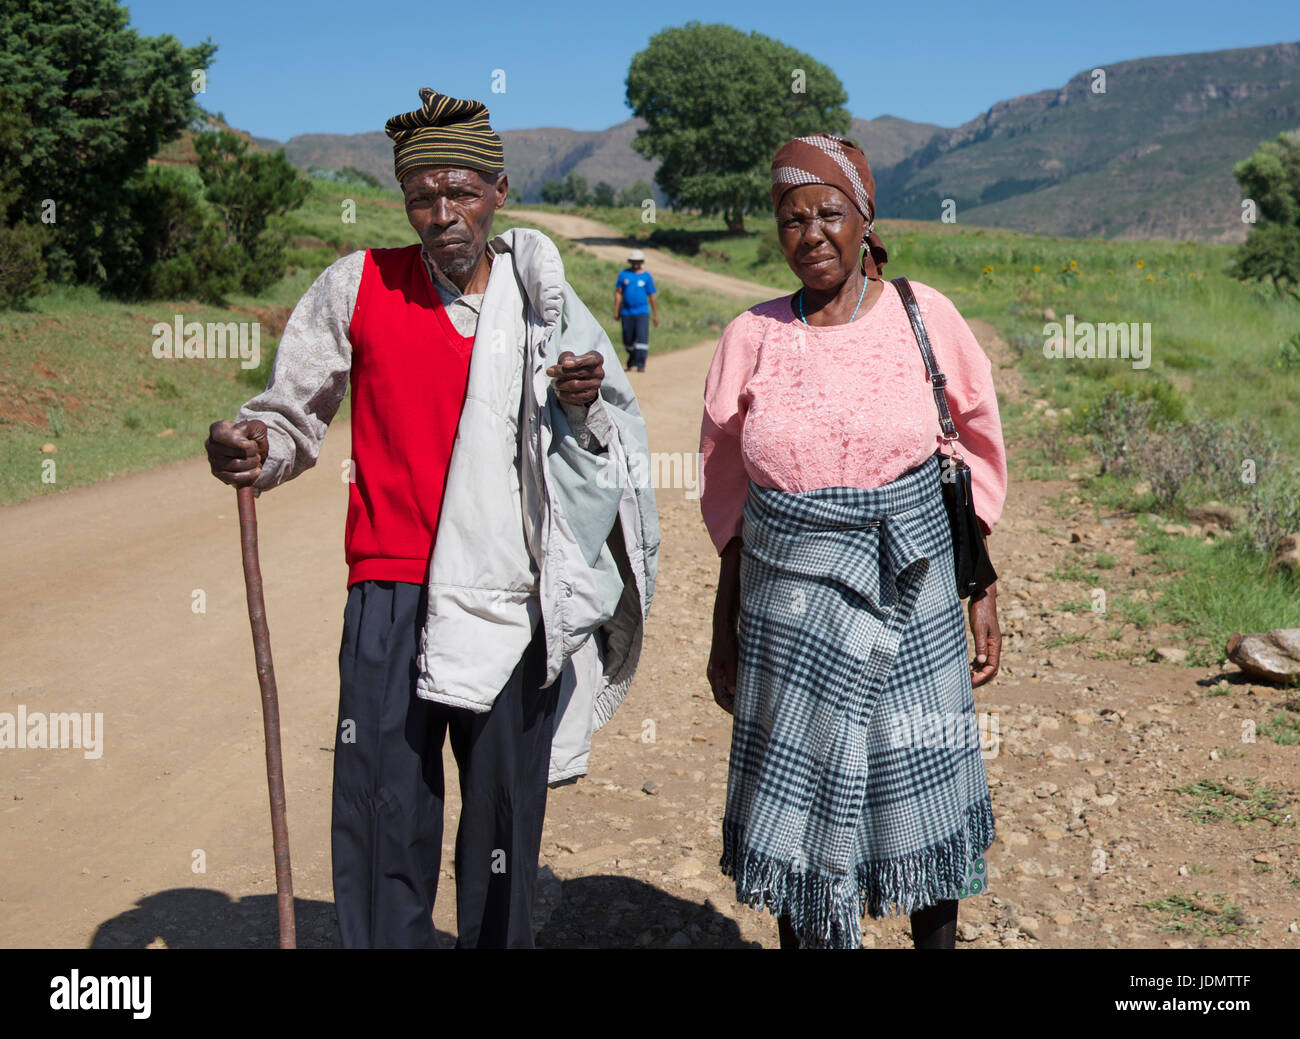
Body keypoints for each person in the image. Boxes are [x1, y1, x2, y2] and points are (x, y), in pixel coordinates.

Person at [204, 89, 659, 949]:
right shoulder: (359, 283)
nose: (442, 214)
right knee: (382, 806)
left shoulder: (542, 300)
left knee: (502, 817)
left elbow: (605, 440)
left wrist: (579, 403)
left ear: (497, 189)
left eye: (460, 193)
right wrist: (250, 445)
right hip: (390, 590)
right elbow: (292, 415)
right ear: (404, 200)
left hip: (511, 596)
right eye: (422, 197)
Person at [698, 133, 1007, 950]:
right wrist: (723, 620)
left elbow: (970, 446)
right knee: (805, 822)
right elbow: (729, 495)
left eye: (829, 213)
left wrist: (983, 589)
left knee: (925, 801)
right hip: (788, 609)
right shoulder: (751, 337)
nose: (811, 235)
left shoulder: (923, 315)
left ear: (864, 217)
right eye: (791, 218)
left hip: (917, 593)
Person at [614, 249, 658, 372]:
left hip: (642, 311)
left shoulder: (646, 277)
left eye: (638, 261)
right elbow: (618, 293)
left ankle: (640, 364)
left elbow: (652, 296)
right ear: (630, 261)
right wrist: (616, 310)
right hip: (626, 312)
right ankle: (632, 357)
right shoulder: (623, 274)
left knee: (641, 338)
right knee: (628, 339)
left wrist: (655, 315)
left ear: (642, 262)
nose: (636, 263)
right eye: (634, 261)